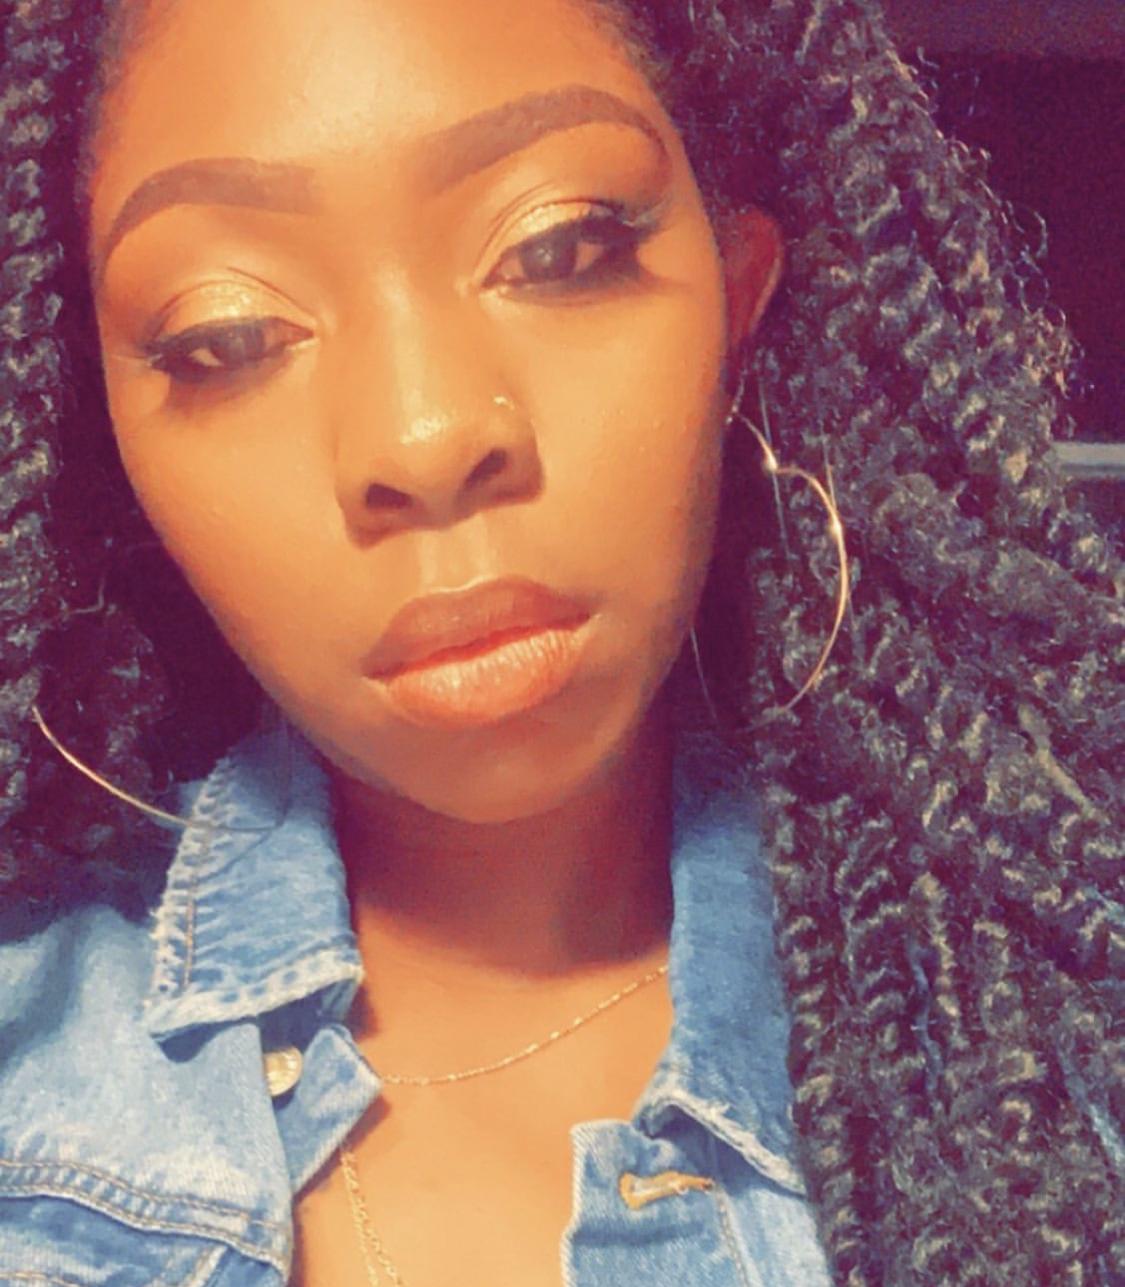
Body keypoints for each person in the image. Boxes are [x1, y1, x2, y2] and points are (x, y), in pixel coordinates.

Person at [0, 0, 1120, 1282]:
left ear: (738, 300)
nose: (424, 438)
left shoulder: (1064, 1016)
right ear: (97, 437)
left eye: (558, 249)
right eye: (226, 338)